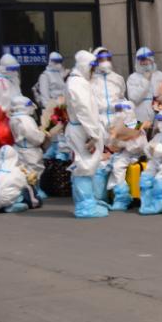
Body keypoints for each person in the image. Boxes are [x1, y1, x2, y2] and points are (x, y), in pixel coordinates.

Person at [65, 49, 109, 219]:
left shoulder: (78, 81)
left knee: (87, 166)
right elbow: (84, 111)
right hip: (82, 130)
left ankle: (88, 201)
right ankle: (86, 206)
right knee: (83, 167)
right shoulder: (76, 83)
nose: (93, 72)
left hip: (83, 129)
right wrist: (93, 134)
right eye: (91, 68)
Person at [106, 100, 149, 212]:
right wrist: (115, 141)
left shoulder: (138, 126)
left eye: (123, 110)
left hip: (136, 156)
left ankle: (122, 198)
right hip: (123, 154)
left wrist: (123, 143)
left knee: (118, 166)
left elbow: (139, 146)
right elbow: (113, 146)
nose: (120, 114)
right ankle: (112, 195)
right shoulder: (119, 126)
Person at [8, 94, 47, 200]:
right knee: (33, 171)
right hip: (29, 150)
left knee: (24, 170)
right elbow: (33, 135)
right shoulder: (25, 120)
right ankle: (33, 192)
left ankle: (27, 191)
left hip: (20, 148)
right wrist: (42, 135)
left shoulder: (14, 118)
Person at [126, 46, 162, 124]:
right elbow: (134, 98)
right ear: (137, 62)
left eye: (148, 59)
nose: (146, 62)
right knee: (140, 135)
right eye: (142, 60)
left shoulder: (161, 76)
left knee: (159, 134)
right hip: (140, 118)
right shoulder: (132, 78)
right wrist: (145, 81)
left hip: (160, 116)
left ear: (152, 60)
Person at [90, 47, 126, 128]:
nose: (105, 62)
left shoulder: (118, 78)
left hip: (116, 121)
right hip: (98, 122)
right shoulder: (90, 80)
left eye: (107, 59)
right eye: (101, 59)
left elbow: (121, 97)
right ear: (95, 61)